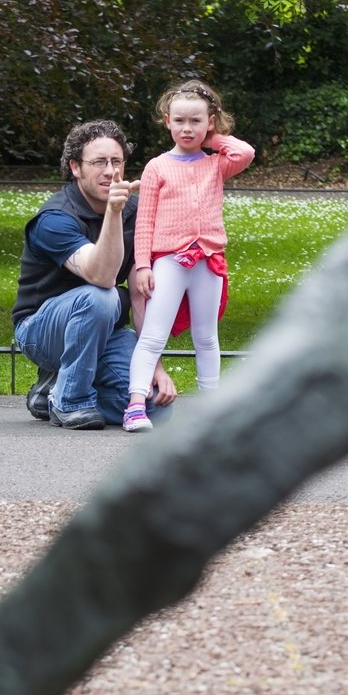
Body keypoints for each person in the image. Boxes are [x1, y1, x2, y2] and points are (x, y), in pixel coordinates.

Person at [13, 120, 177, 429]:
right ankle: (70, 401)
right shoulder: (54, 219)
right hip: (42, 331)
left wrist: (154, 365)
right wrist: (114, 214)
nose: (109, 171)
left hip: (106, 331)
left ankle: (53, 389)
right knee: (101, 297)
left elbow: (142, 292)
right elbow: (100, 276)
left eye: (116, 161)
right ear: (76, 167)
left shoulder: (136, 212)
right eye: (99, 162)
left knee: (152, 405)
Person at [123, 81, 254, 432]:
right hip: (169, 261)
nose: (187, 128)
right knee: (153, 334)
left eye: (196, 121)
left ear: (210, 122)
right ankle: (136, 403)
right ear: (167, 121)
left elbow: (245, 153)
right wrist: (143, 265)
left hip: (208, 260)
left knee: (207, 336)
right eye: (179, 120)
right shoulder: (157, 168)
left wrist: (212, 140)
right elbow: (144, 222)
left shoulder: (215, 165)